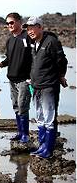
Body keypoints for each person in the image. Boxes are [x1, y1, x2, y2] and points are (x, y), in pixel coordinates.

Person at [23, 16, 68, 159]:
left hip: (49, 86)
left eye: (32, 27)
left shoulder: (51, 42)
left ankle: (48, 150)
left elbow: (62, 61)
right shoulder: (34, 43)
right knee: (40, 118)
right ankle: (42, 146)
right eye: (28, 28)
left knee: (49, 118)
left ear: (40, 27)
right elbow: (35, 64)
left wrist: (60, 75)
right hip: (36, 86)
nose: (30, 31)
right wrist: (31, 78)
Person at [0, 13, 33, 143]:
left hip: (25, 79)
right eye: (7, 23)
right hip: (12, 79)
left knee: (23, 106)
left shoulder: (27, 37)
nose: (10, 25)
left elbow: (34, 56)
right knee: (16, 106)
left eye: (12, 22)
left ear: (19, 22)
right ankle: (20, 133)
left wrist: (33, 76)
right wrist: (0, 64)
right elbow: (9, 59)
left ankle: (25, 135)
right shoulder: (10, 40)